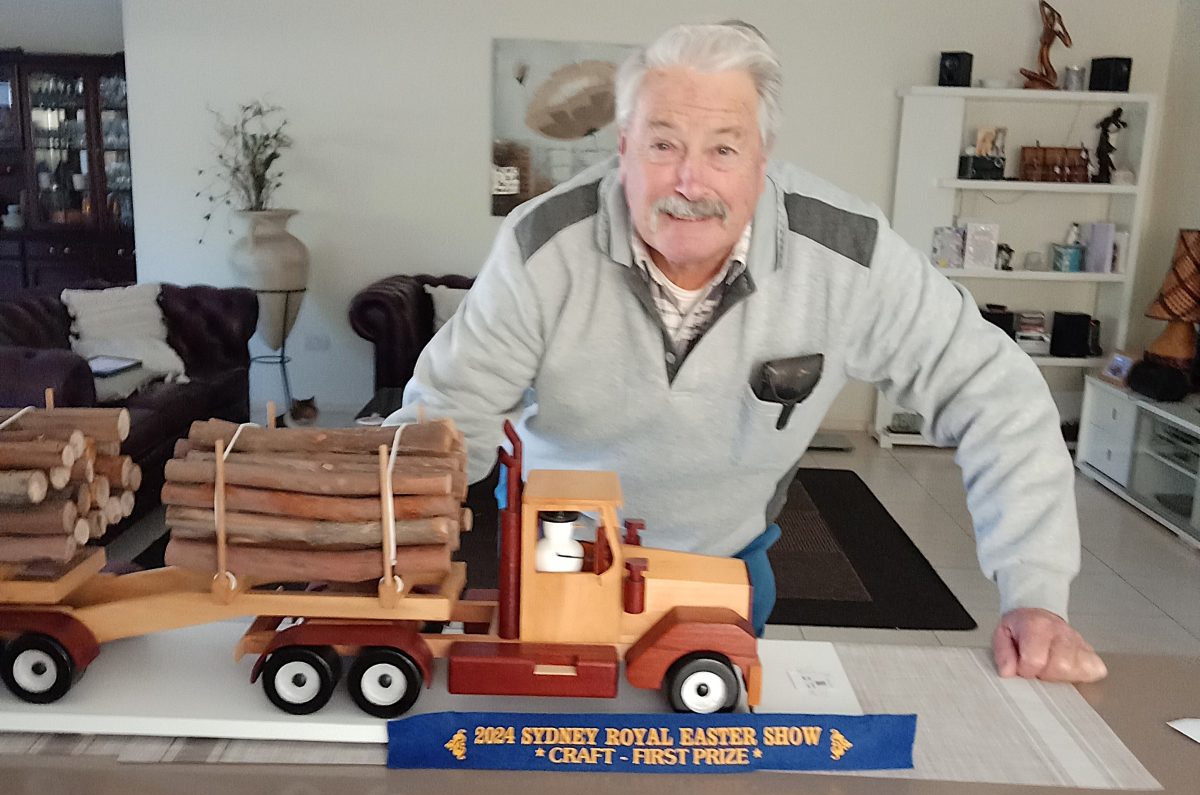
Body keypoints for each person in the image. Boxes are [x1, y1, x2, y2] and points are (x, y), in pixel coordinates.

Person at [386, 22, 1107, 684]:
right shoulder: (541, 245)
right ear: (623, 150)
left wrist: (1036, 593)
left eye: (723, 148)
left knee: (707, 738)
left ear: (763, 162)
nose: (690, 182)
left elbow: (995, 392)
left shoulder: (848, 253)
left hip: (720, 559)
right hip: (563, 546)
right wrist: (381, 561)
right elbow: (447, 418)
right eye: (664, 144)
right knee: (550, 729)